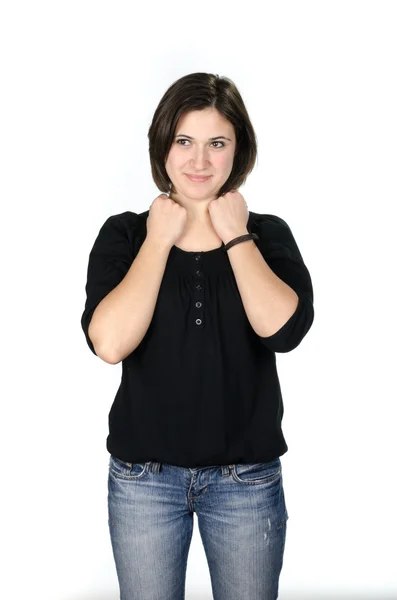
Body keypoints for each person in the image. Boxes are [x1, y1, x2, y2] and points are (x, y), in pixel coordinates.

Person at [81, 72, 314, 600]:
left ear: (239, 151)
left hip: (246, 483)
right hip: (143, 481)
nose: (199, 161)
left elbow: (283, 331)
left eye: (217, 143)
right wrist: (159, 241)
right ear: (162, 146)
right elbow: (109, 344)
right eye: (184, 141)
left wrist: (236, 234)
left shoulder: (267, 234)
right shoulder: (125, 235)